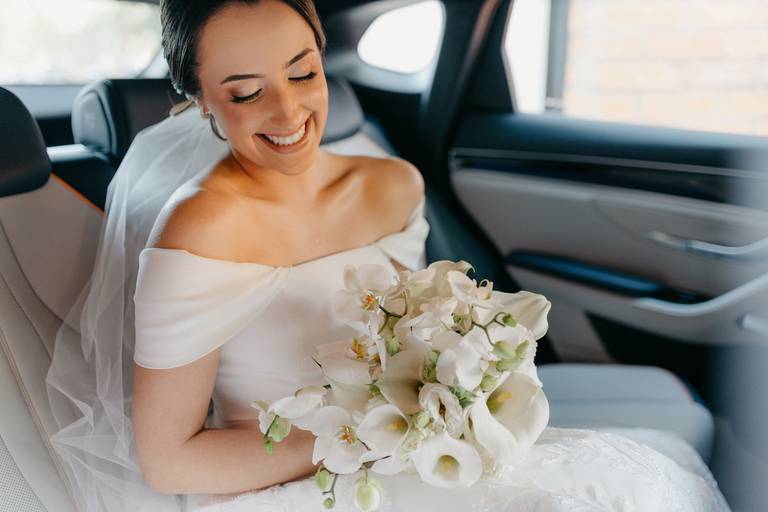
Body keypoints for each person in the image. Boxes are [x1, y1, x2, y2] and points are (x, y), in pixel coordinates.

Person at [45, 1, 730, 510]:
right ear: (202, 103)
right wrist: (362, 438)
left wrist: (456, 396)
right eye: (246, 92)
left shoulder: (391, 185)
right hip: (287, 484)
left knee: (629, 489)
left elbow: (411, 341)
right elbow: (171, 462)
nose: (287, 113)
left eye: (303, 73)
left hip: (411, 456)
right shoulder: (200, 230)